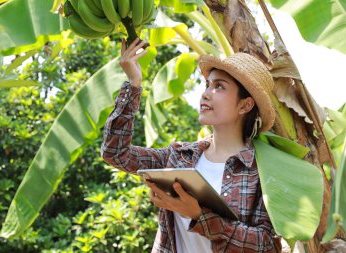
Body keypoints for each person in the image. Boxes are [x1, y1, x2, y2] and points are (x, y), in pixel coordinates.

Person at [101, 37, 282, 252]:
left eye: (219, 87)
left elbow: (266, 244)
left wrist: (199, 215)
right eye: (208, 85)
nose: (205, 93)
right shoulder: (179, 156)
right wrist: (133, 83)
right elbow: (116, 153)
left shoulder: (261, 170)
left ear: (245, 105)